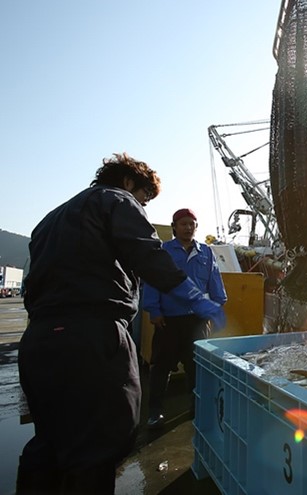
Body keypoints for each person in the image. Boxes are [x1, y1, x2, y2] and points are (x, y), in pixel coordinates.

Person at [17, 153, 225, 494]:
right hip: (92, 337)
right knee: (102, 437)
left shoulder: (50, 218)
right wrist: (201, 301)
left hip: (40, 338)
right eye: (145, 197)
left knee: (49, 441)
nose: (143, 204)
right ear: (129, 182)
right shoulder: (116, 200)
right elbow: (151, 259)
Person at [142, 208, 227, 428]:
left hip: (197, 321)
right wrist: (154, 310)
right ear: (174, 227)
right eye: (183, 224)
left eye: (192, 224)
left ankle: (196, 407)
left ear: (196, 227)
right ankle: (155, 411)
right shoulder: (163, 251)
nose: (188, 228)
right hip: (168, 320)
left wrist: (216, 307)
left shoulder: (206, 253)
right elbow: (153, 280)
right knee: (161, 367)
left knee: (196, 367)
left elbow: (215, 283)